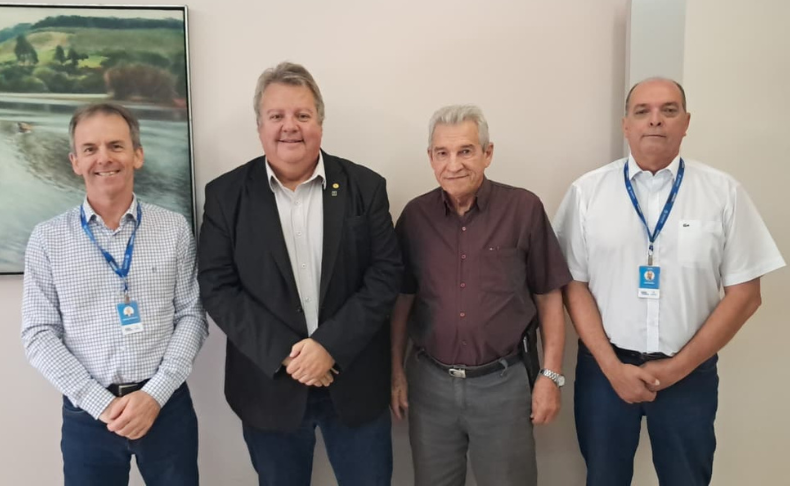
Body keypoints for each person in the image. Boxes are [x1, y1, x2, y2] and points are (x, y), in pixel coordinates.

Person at [554, 77, 786, 486]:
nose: (655, 120)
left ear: (686, 122)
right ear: (626, 124)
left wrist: (679, 367)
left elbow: (746, 294)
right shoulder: (587, 193)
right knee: (603, 478)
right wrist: (613, 367)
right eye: (642, 111)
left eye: (669, 110)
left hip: (689, 375)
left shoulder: (723, 193)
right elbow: (573, 285)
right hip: (605, 374)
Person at [198, 62, 402, 486]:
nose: (290, 126)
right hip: (268, 387)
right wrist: (288, 354)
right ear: (260, 126)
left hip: (355, 382)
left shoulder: (366, 187)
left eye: (302, 115)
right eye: (277, 115)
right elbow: (217, 287)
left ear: (320, 124)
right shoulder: (225, 196)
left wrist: (329, 346)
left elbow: (385, 275)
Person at [21, 103, 208, 486]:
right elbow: (38, 334)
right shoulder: (47, 239)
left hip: (166, 408)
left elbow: (192, 315)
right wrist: (100, 403)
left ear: (137, 155)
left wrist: (154, 395)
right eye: (90, 149)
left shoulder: (173, 229)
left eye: (116, 146)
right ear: (75, 162)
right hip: (88, 416)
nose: (103, 158)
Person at [391, 104, 571, 486]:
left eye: (466, 151)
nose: (453, 164)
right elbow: (402, 302)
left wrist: (551, 376)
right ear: (430, 158)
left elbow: (549, 296)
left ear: (488, 154)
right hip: (430, 385)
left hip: (502, 384)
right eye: (442, 153)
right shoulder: (415, 217)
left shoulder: (523, 209)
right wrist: (395, 372)